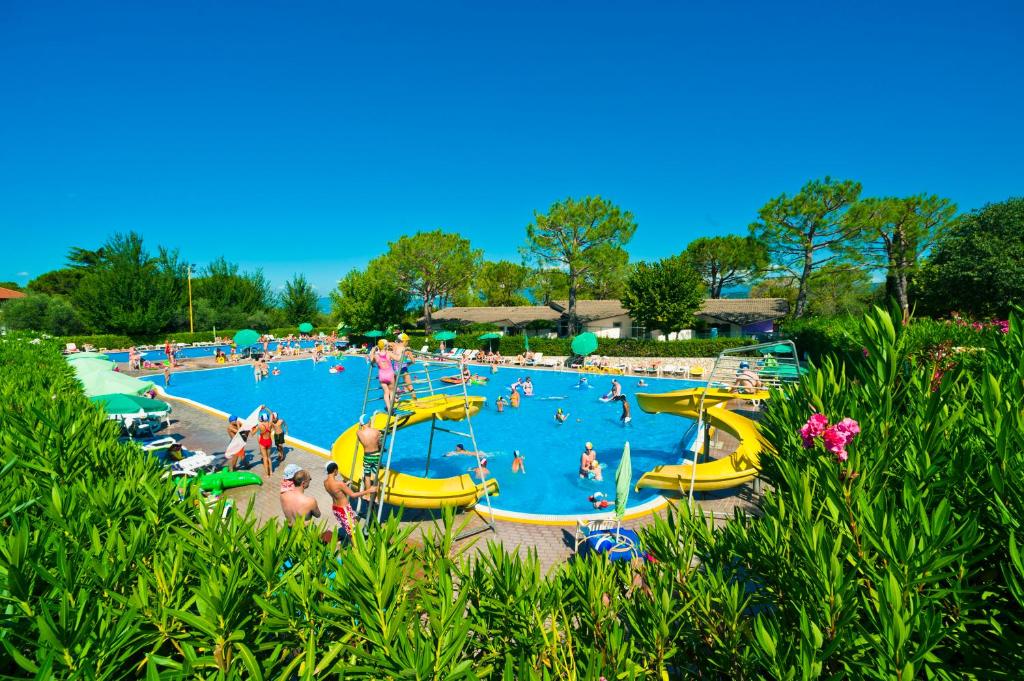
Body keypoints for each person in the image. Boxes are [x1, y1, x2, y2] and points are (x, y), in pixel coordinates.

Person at [325, 461, 369, 541]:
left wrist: (345, 485)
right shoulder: (339, 484)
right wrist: (368, 491)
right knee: (353, 533)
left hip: (336, 509)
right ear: (335, 470)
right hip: (344, 510)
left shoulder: (325, 483)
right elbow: (353, 495)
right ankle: (355, 550)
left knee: (352, 526)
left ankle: (356, 545)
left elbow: (336, 491)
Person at [357, 421, 384, 496]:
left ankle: (368, 495)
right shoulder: (377, 432)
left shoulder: (359, 432)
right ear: (368, 422)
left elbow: (361, 441)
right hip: (376, 455)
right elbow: (380, 444)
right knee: (376, 476)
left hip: (367, 455)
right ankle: (376, 498)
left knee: (367, 476)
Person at [371, 340, 396, 411]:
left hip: (382, 376)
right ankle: (392, 408)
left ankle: (388, 408)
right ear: (386, 346)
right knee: (391, 392)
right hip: (390, 375)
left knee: (386, 392)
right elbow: (398, 358)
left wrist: (373, 351)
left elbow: (371, 361)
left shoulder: (376, 355)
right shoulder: (389, 353)